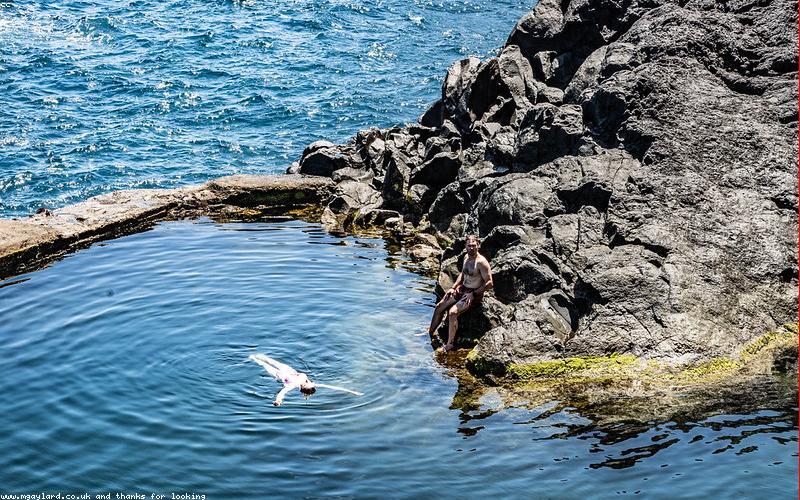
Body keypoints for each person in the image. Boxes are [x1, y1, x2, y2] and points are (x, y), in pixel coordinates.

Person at [427, 234, 493, 352]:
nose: (471, 248)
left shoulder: (482, 262)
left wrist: (474, 294)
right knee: (439, 306)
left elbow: (489, 283)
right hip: (462, 289)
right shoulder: (466, 257)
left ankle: (449, 344)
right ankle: (430, 333)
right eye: (469, 246)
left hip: (472, 294)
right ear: (465, 246)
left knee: (452, 312)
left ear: (478, 245)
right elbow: (463, 274)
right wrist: (453, 287)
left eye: (474, 245)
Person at [249, 354, 363, 406]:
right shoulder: (308, 382)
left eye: (310, 386)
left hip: (279, 374)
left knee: (265, 365)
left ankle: (254, 357)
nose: (311, 384)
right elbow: (331, 387)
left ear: (304, 388)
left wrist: (278, 401)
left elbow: (282, 392)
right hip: (288, 369)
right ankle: (259, 355)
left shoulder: (293, 385)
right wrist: (352, 392)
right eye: (312, 385)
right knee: (272, 361)